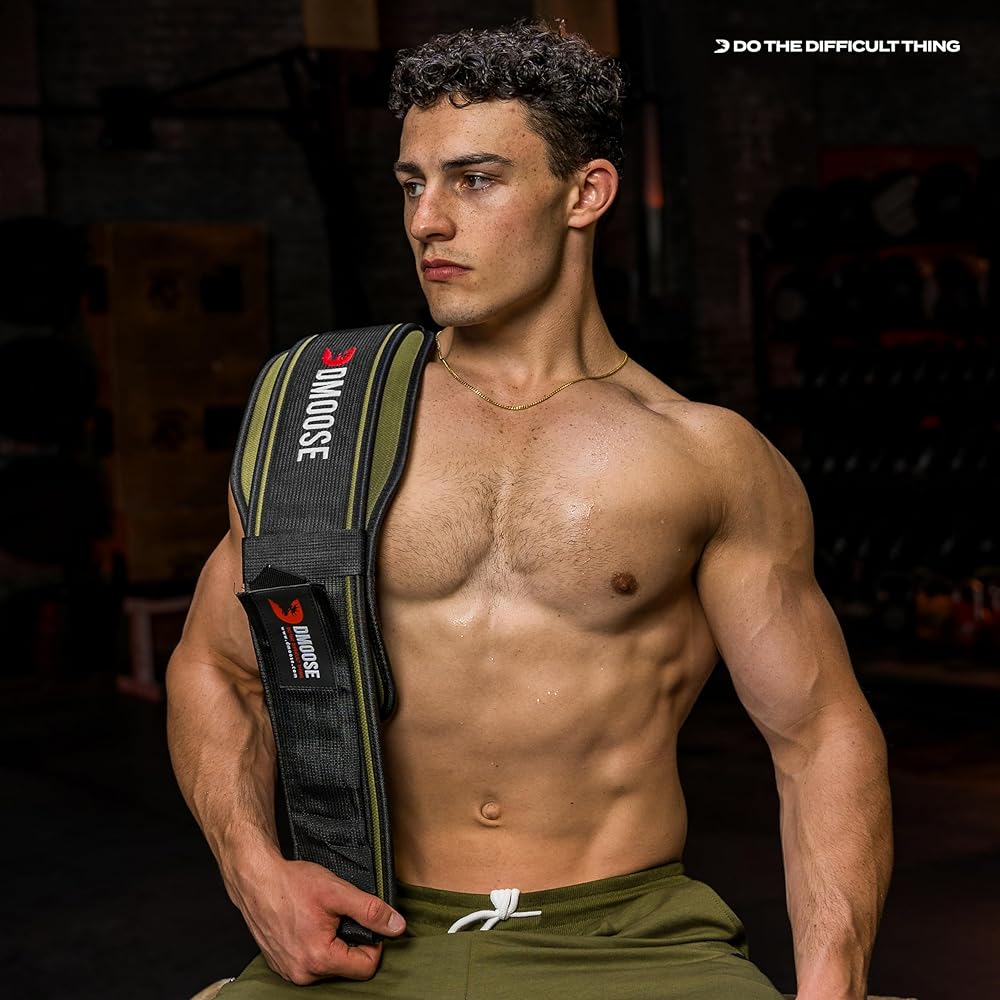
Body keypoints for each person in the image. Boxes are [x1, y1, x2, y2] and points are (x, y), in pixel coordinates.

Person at [166, 18, 892, 1000]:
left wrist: (832, 984)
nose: (428, 221)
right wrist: (253, 869)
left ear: (586, 193)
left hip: (632, 940)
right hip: (368, 929)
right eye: (412, 184)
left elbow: (819, 734)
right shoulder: (323, 416)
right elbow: (215, 665)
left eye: (474, 180)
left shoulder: (705, 457)